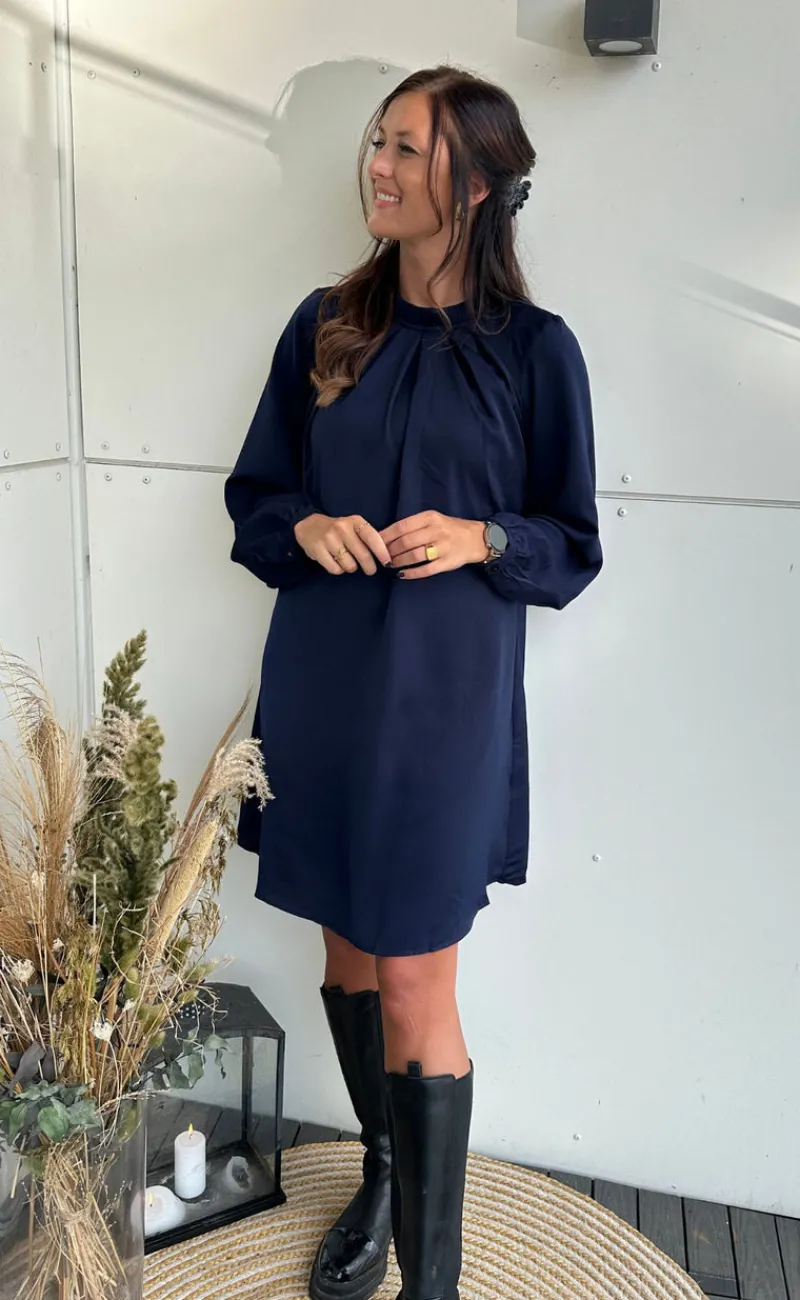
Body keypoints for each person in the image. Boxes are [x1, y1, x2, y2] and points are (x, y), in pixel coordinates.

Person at [225, 64, 602, 1300]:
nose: (376, 167)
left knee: (411, 974)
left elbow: (571, 544)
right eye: (375, 142)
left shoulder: (534, 354)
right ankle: (382, 1169)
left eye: (406, 148)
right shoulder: (325, 323)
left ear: (476, 183)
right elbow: (255, 497)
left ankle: (431, 1282)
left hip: (442, 708)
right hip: (321, 687)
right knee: (347, 955)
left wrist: (484, 536)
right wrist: (306, 525)